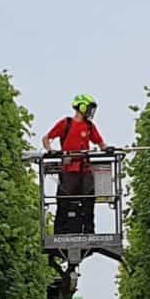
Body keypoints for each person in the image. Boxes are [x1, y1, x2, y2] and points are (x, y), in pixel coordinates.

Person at [42, 93, 109, 234]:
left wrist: (107, 148)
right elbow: (46, 138)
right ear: (82, 107)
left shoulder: (89, 126)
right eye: (89, 108)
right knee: (64, 199)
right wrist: (50, 151)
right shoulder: (66, 123)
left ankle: (89, 230)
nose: (91, 112)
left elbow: (100, 142)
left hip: (84, 168)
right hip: (69, 168)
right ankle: (59, 231)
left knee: (89, 197)